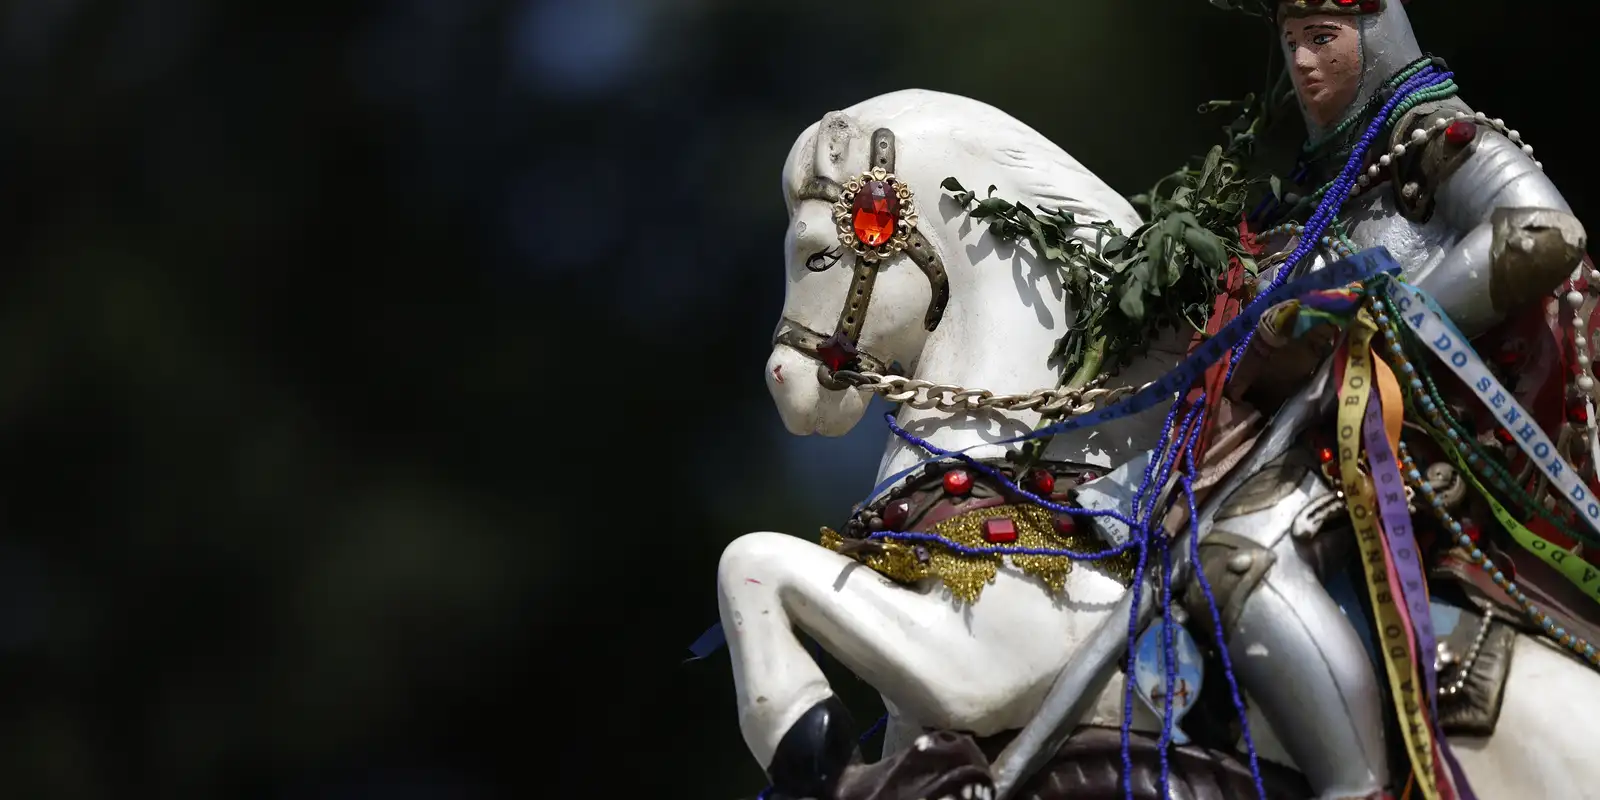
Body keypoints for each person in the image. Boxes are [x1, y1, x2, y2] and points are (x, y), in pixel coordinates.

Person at [1196, 1, 1587, 798]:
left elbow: (1544, 228)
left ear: (1375, 38)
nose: (1302, 62)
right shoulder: (1315, 191)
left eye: (1323, 38)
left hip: (1434, 440)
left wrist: (1382, 323)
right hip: (1323, 429)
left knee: (1238, 560)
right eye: (1291, 41)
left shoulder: (1436, 135)